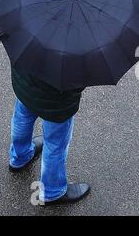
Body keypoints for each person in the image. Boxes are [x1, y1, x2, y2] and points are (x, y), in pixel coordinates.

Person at [9, 67, 90, 206]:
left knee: (21, 118)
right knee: (55, 143)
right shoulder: (79, 45)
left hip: (24, 80)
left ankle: (19, 157)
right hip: (57, 98)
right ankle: (52, 191)